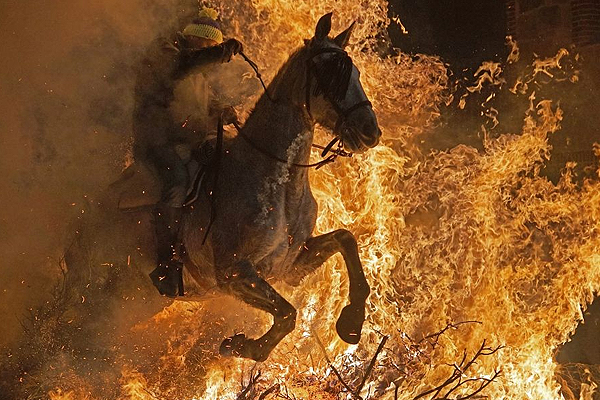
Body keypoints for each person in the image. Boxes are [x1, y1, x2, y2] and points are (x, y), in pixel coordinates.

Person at [132, 7, 242, 297]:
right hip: (157, 143)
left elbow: (202, 104)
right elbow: (182, 68)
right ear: (195, 42)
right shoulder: (166, 57)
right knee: (177, 182)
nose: (211, 57)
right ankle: (166, 262)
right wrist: (220, 51)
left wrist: (221, 111)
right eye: (207, 48)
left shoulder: (198, 75)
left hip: (187, 141)